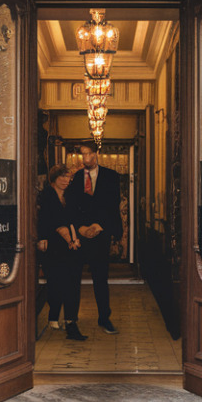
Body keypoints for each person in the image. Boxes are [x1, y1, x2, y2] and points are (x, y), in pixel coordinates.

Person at [65, 140, 124, 334]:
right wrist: (81, 228)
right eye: (83, 154)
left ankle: (104, 318)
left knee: (101, 278)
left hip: (100, 234)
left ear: (97, 153)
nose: (87, 158)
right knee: (73, 278)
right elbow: (71, 207)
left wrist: (101, 226)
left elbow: (112, 205)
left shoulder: (111, 176)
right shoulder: (75, 178)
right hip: (80, 236)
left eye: (90, 154)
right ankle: (71, 319)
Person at [37, 164, 86, 340]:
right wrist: (43, 238)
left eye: (69, 177)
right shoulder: (46, 195)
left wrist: (75, 237)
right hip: (53, 246)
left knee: (72, 283)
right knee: (56, 284)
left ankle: (71, 322)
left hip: (72, 244)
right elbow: (43, 220)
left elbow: (74, 217)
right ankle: (53, 315)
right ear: (54, 178)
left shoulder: (70, 195)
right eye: (63, 177)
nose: (66, 181)